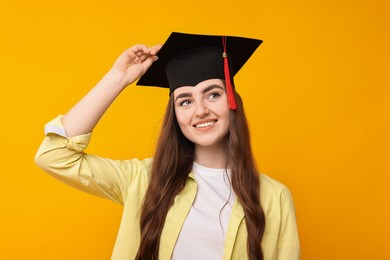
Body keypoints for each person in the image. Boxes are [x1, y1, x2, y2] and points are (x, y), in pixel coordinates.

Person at [35, 32, 300, 260]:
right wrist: (118, 78)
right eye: (185, 101)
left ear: (232, 102)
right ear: (175, 115)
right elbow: (54, 156)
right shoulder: (142, 180)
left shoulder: (274, 198)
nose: (200, 111)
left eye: (213, 94)